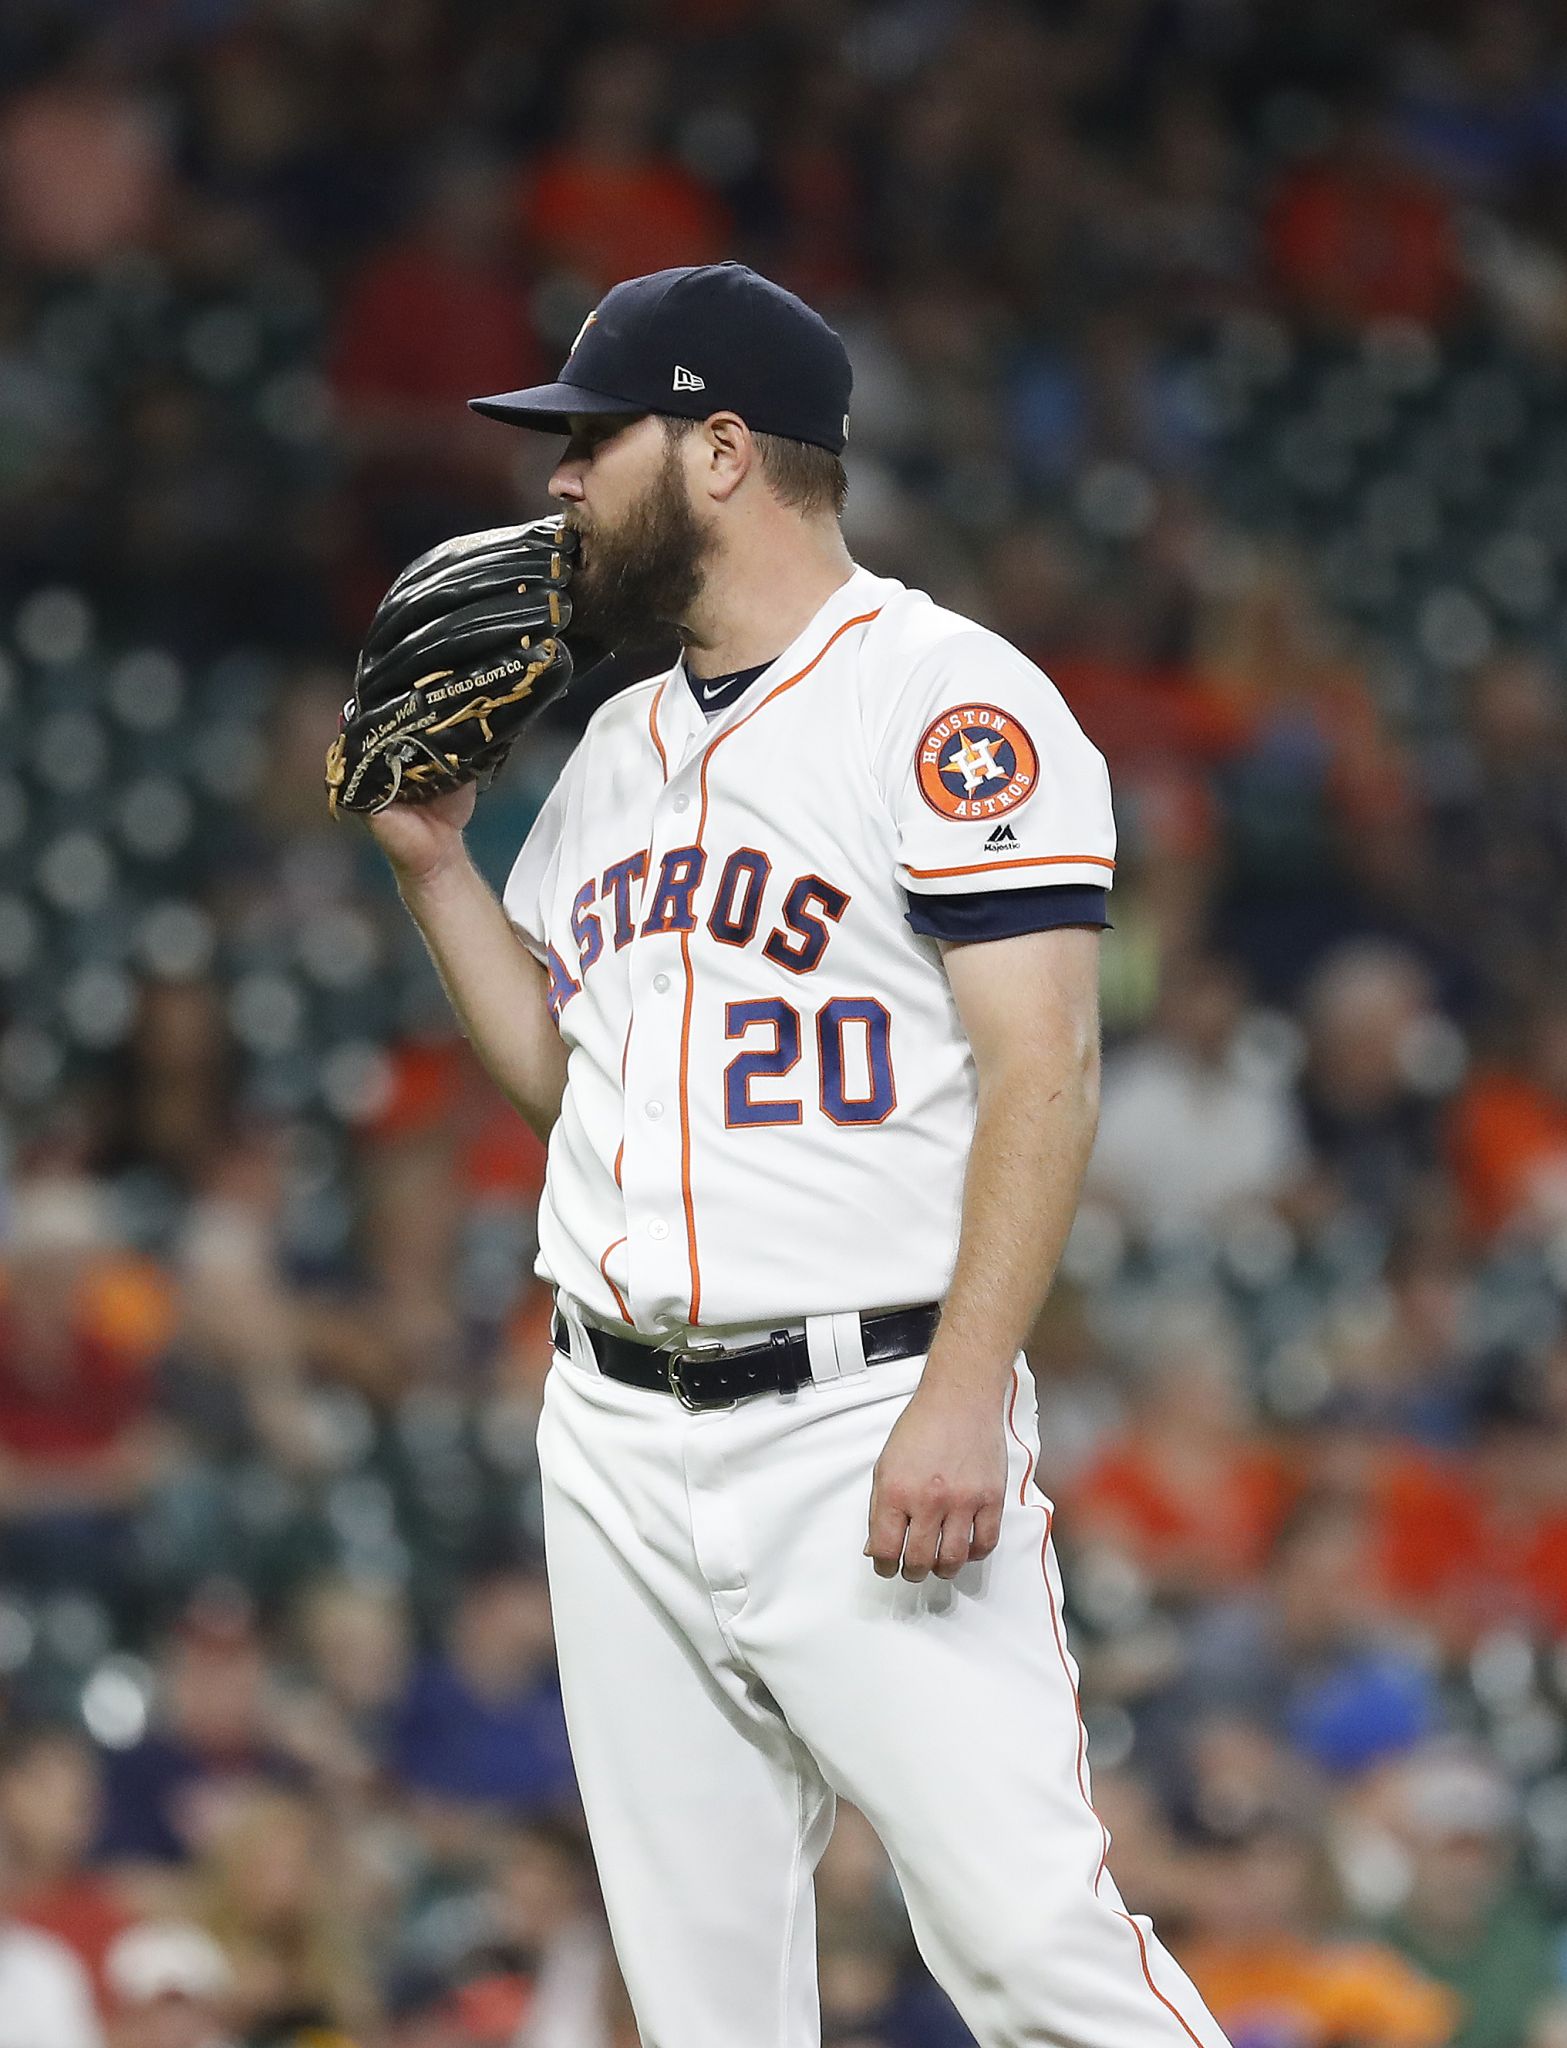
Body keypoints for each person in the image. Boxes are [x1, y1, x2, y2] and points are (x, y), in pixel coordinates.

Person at [358, 260, 1233, 2048]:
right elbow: (571, 1081)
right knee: (702, 2002)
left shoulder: (944, 703)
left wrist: (967, 1391)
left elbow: (1045, 1070)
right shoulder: (610, 746)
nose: (558, 483)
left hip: (864, 1411)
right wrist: (436, 868)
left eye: (594, 441)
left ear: (725, 449)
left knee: (1026, 1950)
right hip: (611, 1424)